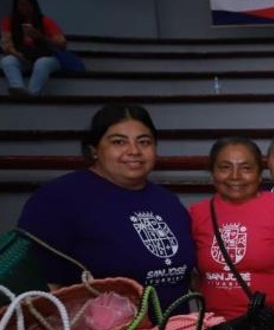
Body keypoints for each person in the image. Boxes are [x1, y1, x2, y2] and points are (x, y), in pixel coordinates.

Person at [18, 104, 195, 307]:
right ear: (93, 150)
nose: (134, 151)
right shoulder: (57, 199)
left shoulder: (167, 201)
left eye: (144, 142)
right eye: (119, 142)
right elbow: (41, 290)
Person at [190, 138, 274, 320]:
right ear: (212, 173)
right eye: (225, 167)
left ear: (259, 174)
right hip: (213, 326)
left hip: (270, 325)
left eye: (246, 168)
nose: (235, 176)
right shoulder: (196, 214)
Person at [0, 0, 65, 96]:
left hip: (48, 56)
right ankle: (18, 88)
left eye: (28, 4)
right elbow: (7, 44)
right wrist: (18, 55)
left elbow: (61, 44)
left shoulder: (45, 21)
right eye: (21, 4)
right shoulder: (9, 21)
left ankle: (32, 94)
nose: (25, 7)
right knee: (7, 61)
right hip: (25, 57)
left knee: (42, 63)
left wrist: (41, 37)